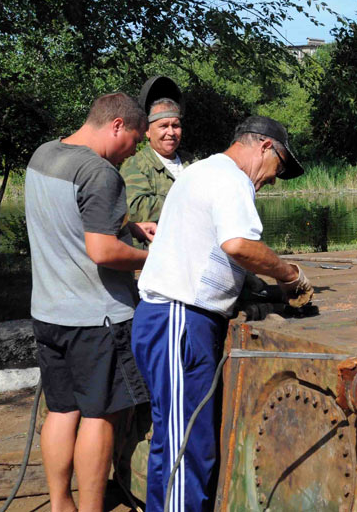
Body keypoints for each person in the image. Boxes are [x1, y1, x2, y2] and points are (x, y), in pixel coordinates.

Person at [131, 115, 314, 511]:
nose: (272, 179)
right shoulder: (231, 179)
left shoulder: (202, 171)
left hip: (170, 319)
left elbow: (209, 250)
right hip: (178, 320)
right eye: (278, 167)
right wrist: (289, 276)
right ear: (264, 146)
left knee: (174, 439)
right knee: (190, 447)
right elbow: (238, 244)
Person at [24, 92, 156, 512]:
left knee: (62, 411)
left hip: (48, 312)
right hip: (96, 318)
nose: (133, 152)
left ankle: (61, 503)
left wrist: (129, 226)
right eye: (134, 141)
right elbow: (101, 251)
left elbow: (68, 217)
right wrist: (151, 257)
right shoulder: (100, 173)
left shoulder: (45, 155)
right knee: (101, 416)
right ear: (117, 125)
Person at [120, 96, 194, 225]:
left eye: (175, 126)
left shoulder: (192, 163)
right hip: (156, 243)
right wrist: (184, 200)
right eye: (163, 126)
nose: (171, 132)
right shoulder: (136, 165)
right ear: (147, 131)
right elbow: (134, 209)